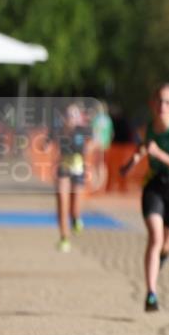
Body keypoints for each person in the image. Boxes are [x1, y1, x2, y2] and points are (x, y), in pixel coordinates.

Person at [120, 84, 169, 312]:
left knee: (167, 242)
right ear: (152, 104)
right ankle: (151, 293)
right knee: (155, 237)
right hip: (154, 186)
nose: (163, 105)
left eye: (168, 102)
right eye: (159, 101)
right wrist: (130, 164)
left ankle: (159, 264)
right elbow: (143, 149)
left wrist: (159, 154)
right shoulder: (147, 129)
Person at [54, 103, 95, 252]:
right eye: (68, 115)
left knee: (75, 208)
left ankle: (77, 218)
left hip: (78, 169)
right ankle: (64, 238)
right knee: (61, 204)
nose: (71, 118)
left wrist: (89, 149)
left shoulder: (83, 130)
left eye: (74, 115)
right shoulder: (59, 131)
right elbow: (46, 143)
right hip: (63, 169)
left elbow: (93, 143)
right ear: (64, 118)